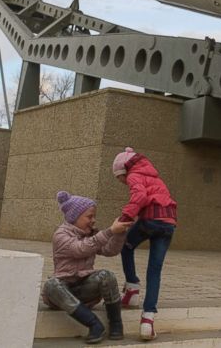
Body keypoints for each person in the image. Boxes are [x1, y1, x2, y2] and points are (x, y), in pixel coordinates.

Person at [42, 191, 133, 344]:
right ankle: (94, 324)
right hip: (62, 293)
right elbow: (80, 249)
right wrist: (110, 231)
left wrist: (119, 234)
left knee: (107, 275)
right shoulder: (60, 235)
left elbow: (110, 250)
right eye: (89, 217)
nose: (93, 220)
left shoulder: (90, 234)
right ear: (74, 217)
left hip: (83, 290)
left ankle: (116, 324)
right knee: (51, 285)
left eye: (93, 216)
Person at [113, 147, 178, 341]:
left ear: (123, 171)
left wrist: (124, 218)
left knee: (126, 246)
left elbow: (140, 197)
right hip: (168, 223)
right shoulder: (154, 177)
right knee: (154, 270)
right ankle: (147, 320)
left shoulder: (134, 175)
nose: (122, 182)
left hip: (150, 220)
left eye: (119, 178)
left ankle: (132, 289)